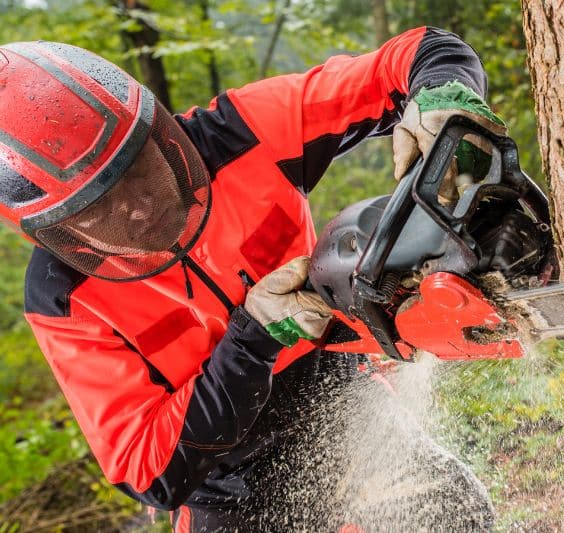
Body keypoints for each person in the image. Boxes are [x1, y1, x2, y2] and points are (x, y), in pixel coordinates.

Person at [0, 27, 506, 531]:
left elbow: (420, 53)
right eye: (97, 209)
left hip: (337, 396)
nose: (137, 208)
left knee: (459, 517)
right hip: (226, 480)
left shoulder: (241, 133)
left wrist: (442, 96)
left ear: (155, 133)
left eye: (135, 172)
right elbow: (148, 469)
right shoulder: (64, 296)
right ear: (59, 229)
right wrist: (255, 339)